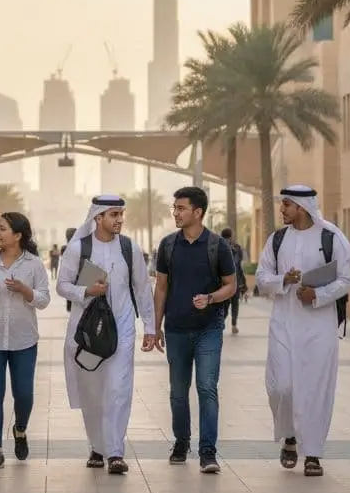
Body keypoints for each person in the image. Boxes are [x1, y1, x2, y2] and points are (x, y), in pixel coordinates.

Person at [255, 184, 350, 478]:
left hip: (319, 326)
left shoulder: (331, 237)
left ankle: (313, 453)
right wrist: (282, 280)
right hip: (283, 322)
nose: (282, 210)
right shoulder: (277, 239)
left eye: (286, 205)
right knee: (280, 385)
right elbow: (262, 277)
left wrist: (318, 295)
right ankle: (289, 435)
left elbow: (346, 280)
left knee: (315, 389)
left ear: (302, 207)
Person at [56, 194, 157, 476]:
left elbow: (142, 288)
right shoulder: (78, 248)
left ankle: (114, 452)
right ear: (97, 217)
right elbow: (62, 286)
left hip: (122, 328)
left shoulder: (129, 248)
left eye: (121, 214)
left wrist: (149, 327)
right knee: (93, 390)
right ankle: (97, 447)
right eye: (113, 215)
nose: (119, 220)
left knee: (117, 387)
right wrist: (86, 291)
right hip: (88, 330)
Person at [153, 186, 236, 473]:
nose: (175, 213)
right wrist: (156, 327)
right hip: (176, 329)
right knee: (178, 392)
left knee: (206, 387)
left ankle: (208, 452)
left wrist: (210, 298)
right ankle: (181, 442)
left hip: (208, 329)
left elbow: (231, 286)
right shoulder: (167, 245)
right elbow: (161, 287)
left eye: (181, 208)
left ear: (197, 212)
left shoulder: (217, 246)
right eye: (174, 208)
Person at [0, 212, 51, 469]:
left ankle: (20, 429)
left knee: (23, 394)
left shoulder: (34, 264)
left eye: (2, 229)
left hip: (24, 340)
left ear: (18, 235)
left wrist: (26, 291)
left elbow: (45, 299)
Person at [222, 228, 248, 333]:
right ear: (231, 236)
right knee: (234, 304)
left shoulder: (217, 246)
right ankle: (233, 325)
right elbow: (239, 267)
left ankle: (221, 324)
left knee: (224, 305)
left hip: (223, 283)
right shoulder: (236, 248)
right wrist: (243, 284)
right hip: (234, 282)